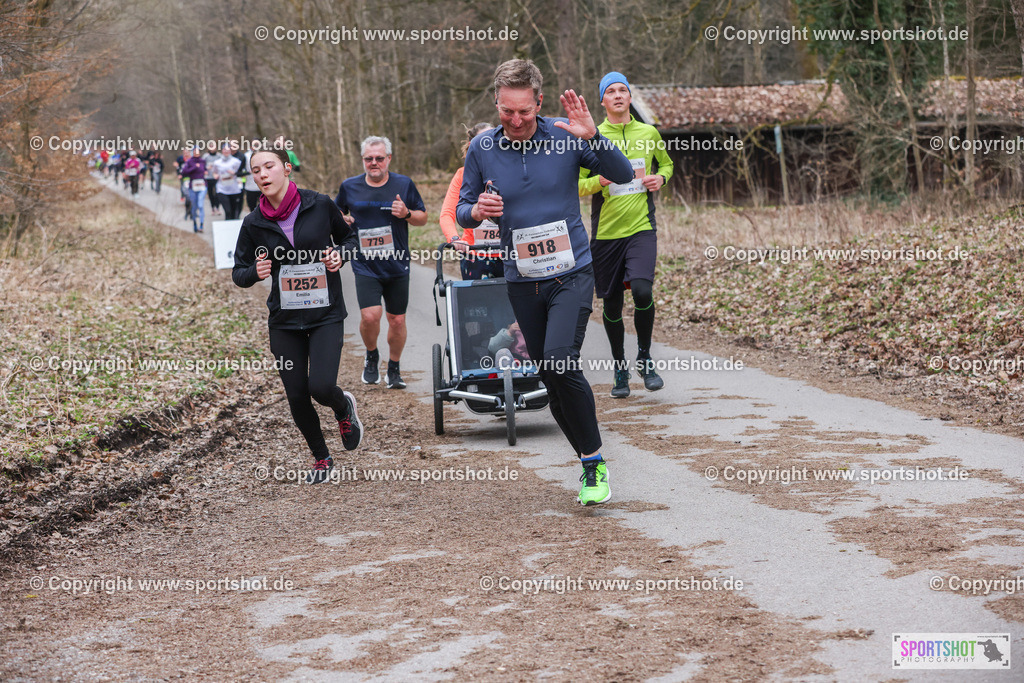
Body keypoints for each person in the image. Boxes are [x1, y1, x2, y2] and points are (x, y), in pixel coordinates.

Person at [457, 59, 633, 506]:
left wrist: (594, 136)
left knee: (559, 359)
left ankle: (594, 465)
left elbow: (624, 174)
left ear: (539, 102)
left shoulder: (565, 135)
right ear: (496, 102)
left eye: (524, 111)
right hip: (521, 280)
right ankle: (587, 463)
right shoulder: (481, 147)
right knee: (551, 378)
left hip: (571, 272)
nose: (515, 121)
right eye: (506, 111)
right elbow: (462, 208)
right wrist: (476, 212)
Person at [232, 148, 362, 484]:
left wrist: (339, 256)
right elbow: (239, 271)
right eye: (256, 170)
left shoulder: (318, 204)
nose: (262, 174)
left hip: (325, 313)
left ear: (286, 168)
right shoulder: (253, 223)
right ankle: (321, 458)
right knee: (296, 393)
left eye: (269, 166)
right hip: (285, 320)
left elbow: (350, 240)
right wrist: (255, 272)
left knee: (320, 386)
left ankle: (342, 407)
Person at [579, 72, 674, 398]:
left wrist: (660, 179)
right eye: (611, 91)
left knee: (644, 292)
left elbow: (667, 166)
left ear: (630, 98)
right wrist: (599, 182)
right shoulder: (592, 138)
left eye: (623, 90)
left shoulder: (649, 133)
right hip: (606, 234)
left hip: (641, 227)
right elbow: (577, 185)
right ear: (603, 101)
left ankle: (645, 358)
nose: (618, 95)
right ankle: (620, 367)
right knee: (612, 303)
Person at [335, 136, 427, 389]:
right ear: (363, 160)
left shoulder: (404, 184)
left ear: (388, 158)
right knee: (370, 316)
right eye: (368, 159)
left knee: (397, 320)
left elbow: (423, 218)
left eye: (379, 158)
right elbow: (336, 215)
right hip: (365, 263)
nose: (374, 163)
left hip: (397, 263)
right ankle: (372, 355)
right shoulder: (349, 186)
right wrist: (344, 221)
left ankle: (394, 368)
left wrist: (407, 213)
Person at [440, 123, 504, 280]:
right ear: (472, 145)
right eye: (483, 141)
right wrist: (455, 239)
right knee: (479, 304)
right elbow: (447, 214)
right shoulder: (462, 175)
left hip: (510, 253)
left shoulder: (509, 169)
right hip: (476, 254)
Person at [212, 144, 244, 219]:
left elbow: (241, 173)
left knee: (234, 211)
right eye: (224, 149)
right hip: (222, 189)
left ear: (230, 150)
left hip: (234, 189)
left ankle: (233, 228)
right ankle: (227, 227)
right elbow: (214, 172)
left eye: (228, 149)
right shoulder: (217, 162)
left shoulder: (236, 161)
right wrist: (215, 176)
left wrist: (234, 173)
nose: (226, 151)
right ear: (222, 150)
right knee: (227, 211)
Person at [179, 148, 207, 232]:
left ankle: (201, 225)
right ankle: (195, 223)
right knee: (194, 206)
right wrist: (194, 167)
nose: (196, 153)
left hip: (202, 186)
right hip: (193, 187)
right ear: (193, 152)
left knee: (201, 205)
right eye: (195, 152)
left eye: (198, 152)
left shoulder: (203, 161)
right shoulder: (189, 161)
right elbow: (184, 172)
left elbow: (205, 170)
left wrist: (206, 171)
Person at [202, 148, 222, 216]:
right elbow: (202, 166)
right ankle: (212, 208)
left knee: (217, 193)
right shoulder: (205, 156)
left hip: (217, 177)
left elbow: (223, 164)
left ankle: (217, 208)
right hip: (208, 177)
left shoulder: (219, 156)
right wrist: (207, 168)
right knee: (210, 193)